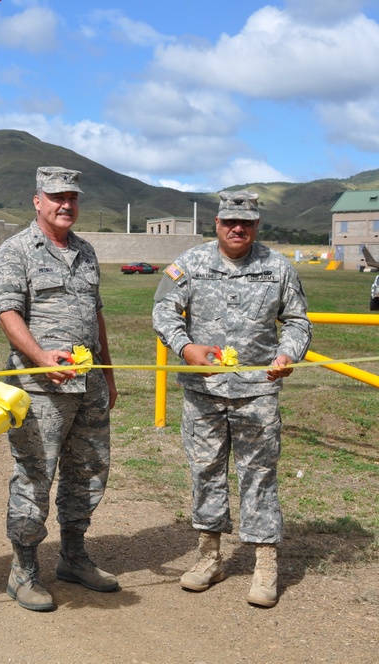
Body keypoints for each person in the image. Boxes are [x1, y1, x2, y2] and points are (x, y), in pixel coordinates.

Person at [152, 190, 311, 608]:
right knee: (205, 471)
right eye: (229, 222)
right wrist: (185, 348)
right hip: (203, 393)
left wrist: (288, 353)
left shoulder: (277, 267)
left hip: (257, 393)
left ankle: (265, 564)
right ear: (217, 224)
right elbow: (164, 311)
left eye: (246, 222)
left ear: (257, 225)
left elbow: (296, 321)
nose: (237, 228)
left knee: (258, 474)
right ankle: (209, 557)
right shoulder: (190, 263)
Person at [0, 166, 119, 612]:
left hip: (89, 386)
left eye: (73, 197)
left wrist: (109, 373)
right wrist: (42, 357)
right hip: (39, 389)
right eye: (57, 196)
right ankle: (23, 570)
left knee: (88, 471)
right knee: (34, 474)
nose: (66, 204)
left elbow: (96, 317)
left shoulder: (85, 251)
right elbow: (8, 315)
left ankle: (73, 555)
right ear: (37, 200)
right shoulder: (16, 251)